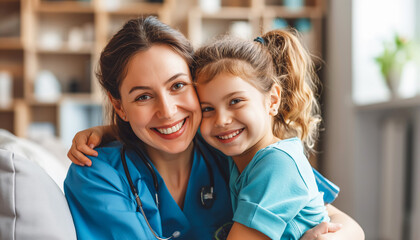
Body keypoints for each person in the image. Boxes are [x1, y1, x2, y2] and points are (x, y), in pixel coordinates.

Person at [65, 16, 364, 240]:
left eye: (178, 85)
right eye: (143, 96)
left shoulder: (232, 147)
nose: (167, 111)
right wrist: (111, 132)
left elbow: (341, 222)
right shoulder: (95, 172)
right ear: (119, 106)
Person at [191, 30, 327, 239]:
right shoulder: (242, 157)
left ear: (272, 100)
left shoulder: (277, 164)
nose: (221, 120)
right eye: (207, 109)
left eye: (235, 101)